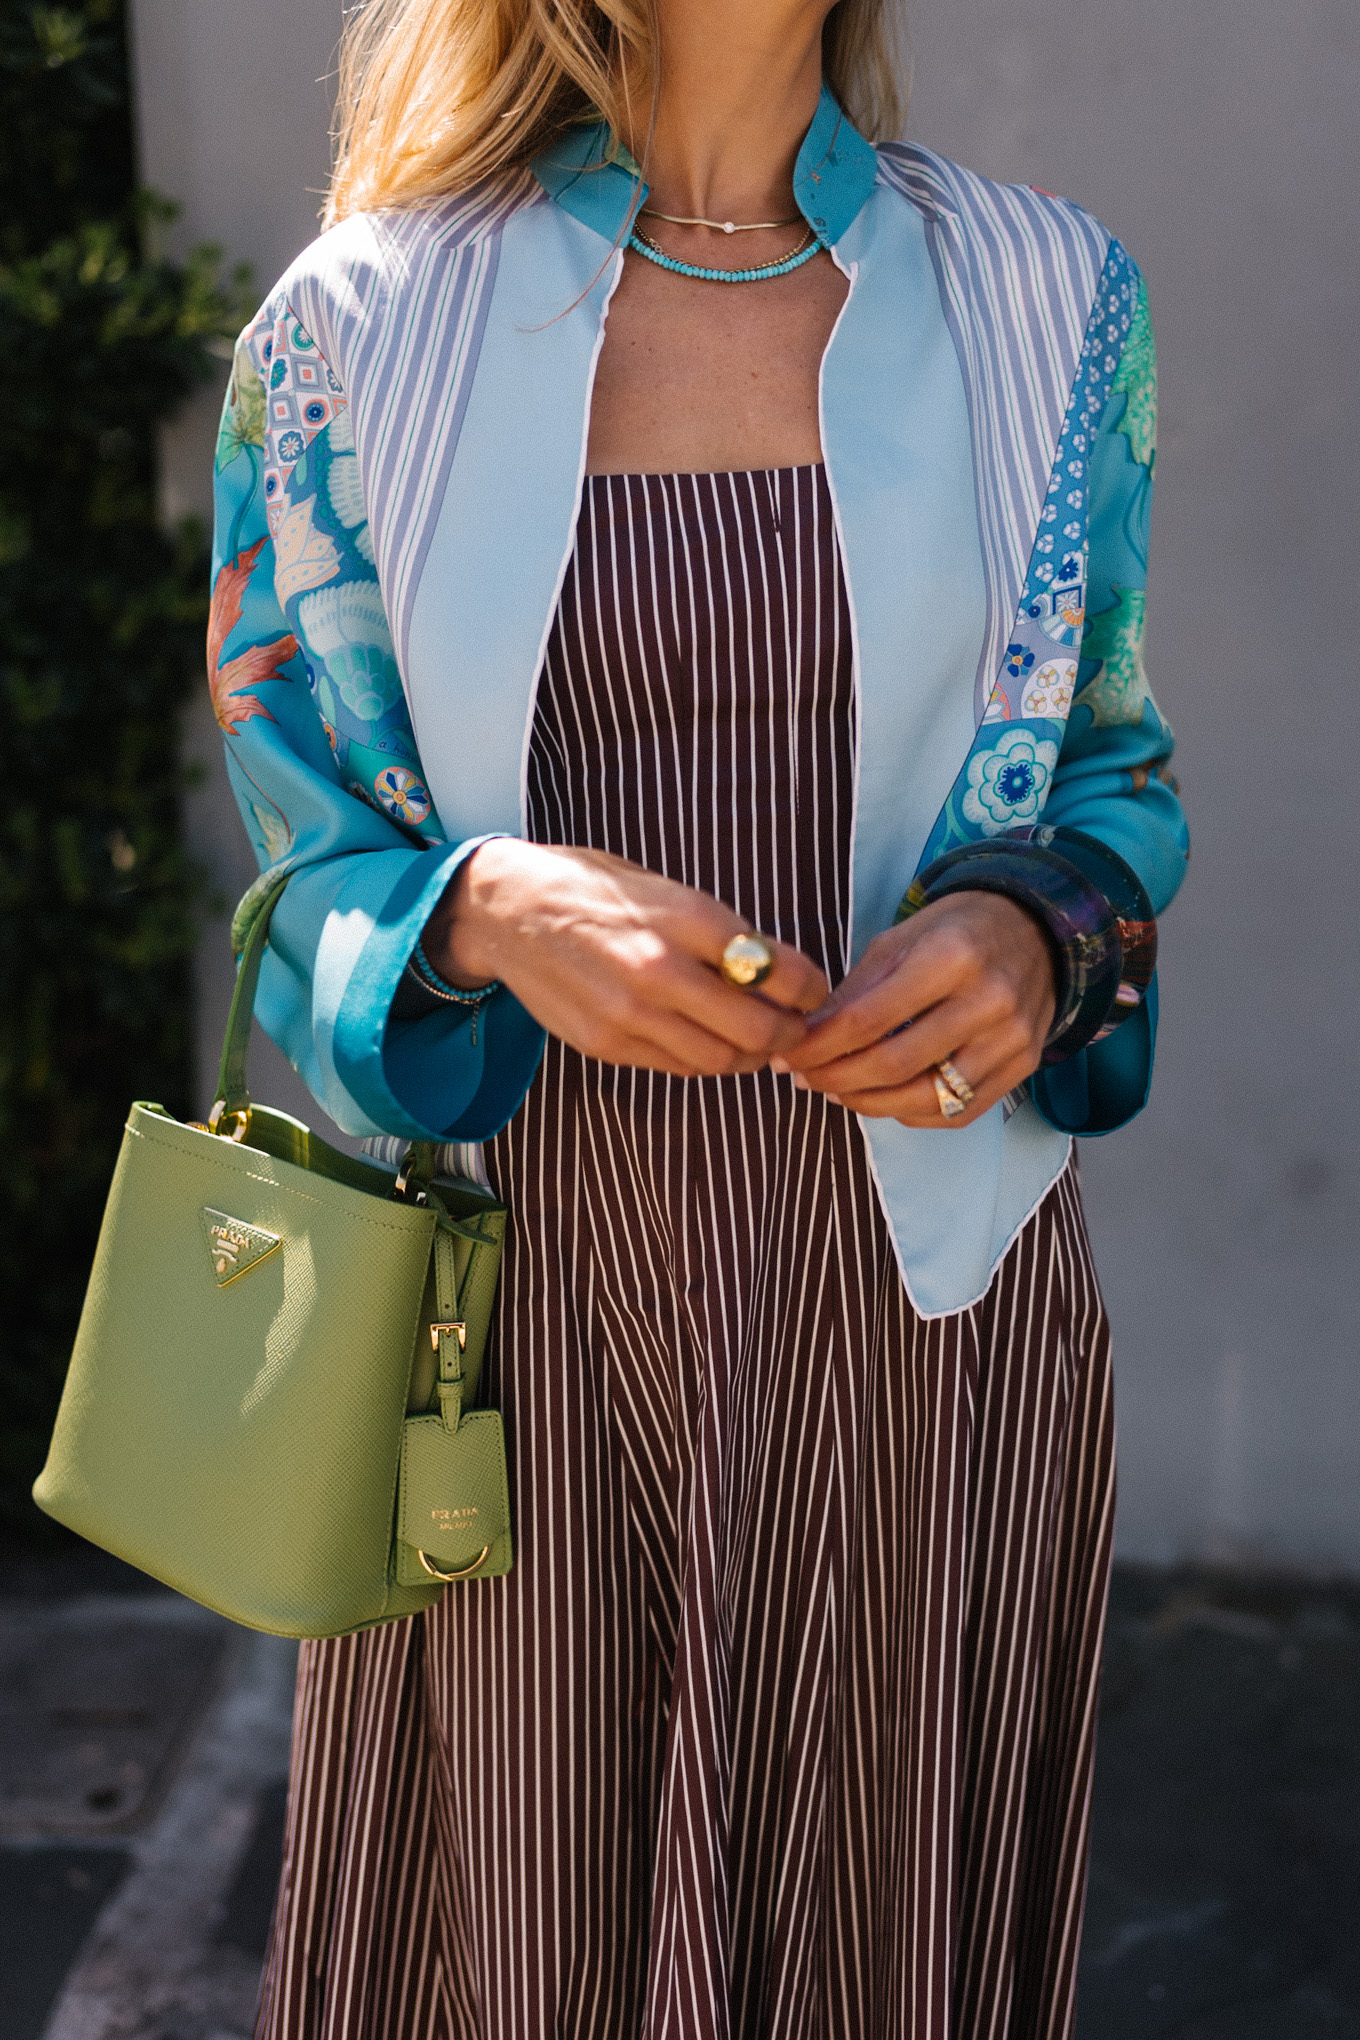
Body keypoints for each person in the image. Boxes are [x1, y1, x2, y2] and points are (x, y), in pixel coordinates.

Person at [209, 0, 1186, 2031]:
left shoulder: (1048, 297)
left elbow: (1114, 778)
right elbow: (304, 882)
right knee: (522, 1956)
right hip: (514, 1335)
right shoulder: (349, 333)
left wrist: (1029, 931)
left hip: (930, 1319)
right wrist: (479, 908)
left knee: (884, 1948)